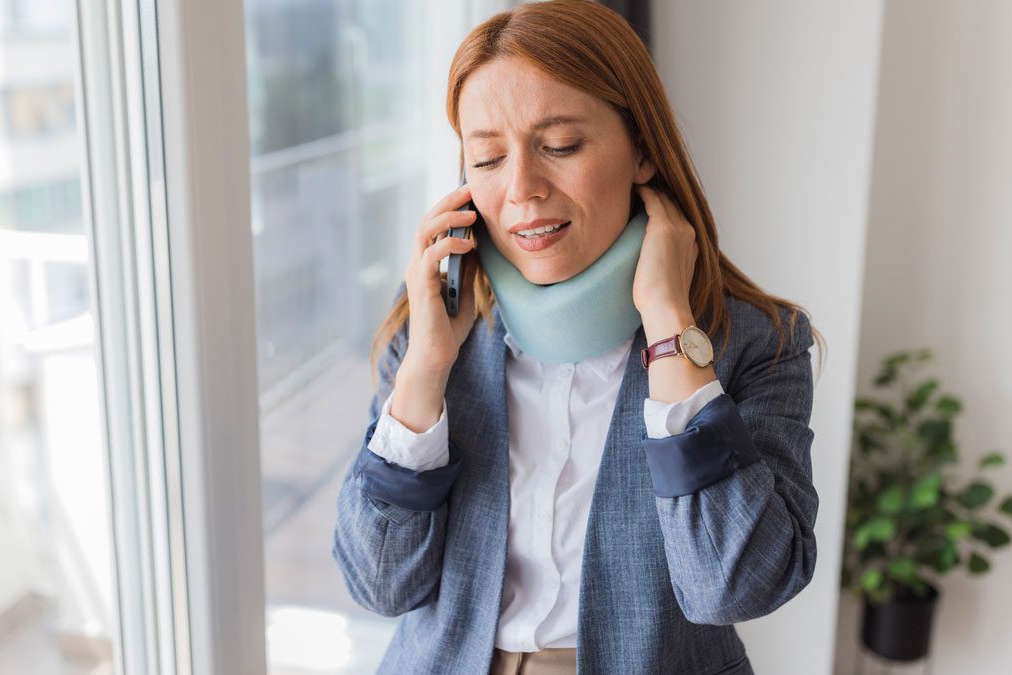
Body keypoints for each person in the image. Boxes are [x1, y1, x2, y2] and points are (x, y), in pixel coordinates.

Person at [332, 2, 827, 673]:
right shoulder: (434, 326)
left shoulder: (757, 342)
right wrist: (424, 371)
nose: (521, 189)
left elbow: (735, 585)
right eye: (486, 157)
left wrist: (669, 327)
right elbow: (380, 584)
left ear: (644, 150)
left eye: (559, 146)